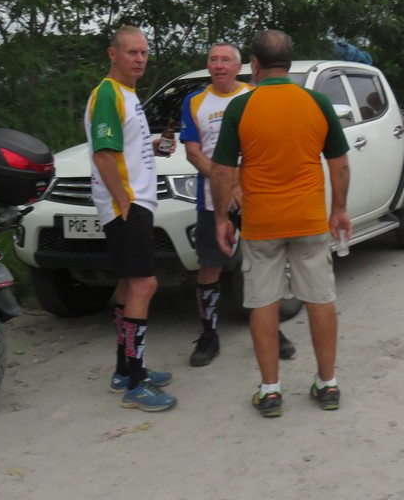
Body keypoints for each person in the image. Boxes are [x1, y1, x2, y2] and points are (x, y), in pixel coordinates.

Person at [210, 30, 350, 417]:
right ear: (288, 63)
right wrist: (339, 209)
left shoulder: (240, 107)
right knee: (320, 298)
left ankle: (270, 392)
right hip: (309, 219)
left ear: (254, 65)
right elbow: (339, 164)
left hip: (262, 224)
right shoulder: (317, 102)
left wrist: (221, 218)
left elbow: (221, 172)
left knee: (263, 302)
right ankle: (327, 384)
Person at [180, 42, 295, 367]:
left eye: (225, 60)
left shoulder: (254, 95)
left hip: (253, 195)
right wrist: (226, 183)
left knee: (264, 262)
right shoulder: (194, 101)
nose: (219, 65)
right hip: (212, 198)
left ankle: (272, 330)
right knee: (210, 265)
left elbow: (267, 147)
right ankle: (209, 335)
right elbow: (193, 153)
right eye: (213, 59)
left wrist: (239, 183)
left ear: (238, 66)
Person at [87, 26, 176, 411]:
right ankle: (136, 385)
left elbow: (121, 148)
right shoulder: (108, 93)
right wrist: (124, 202)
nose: (140, 59)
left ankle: (125, 370)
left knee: (127, 286)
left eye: (144, 52)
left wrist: (154, 146)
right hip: (128, 204)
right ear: (113, 54)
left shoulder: (127, 94)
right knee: (145, 284)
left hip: (134, 202)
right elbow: (103, 154)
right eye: (132, 52)